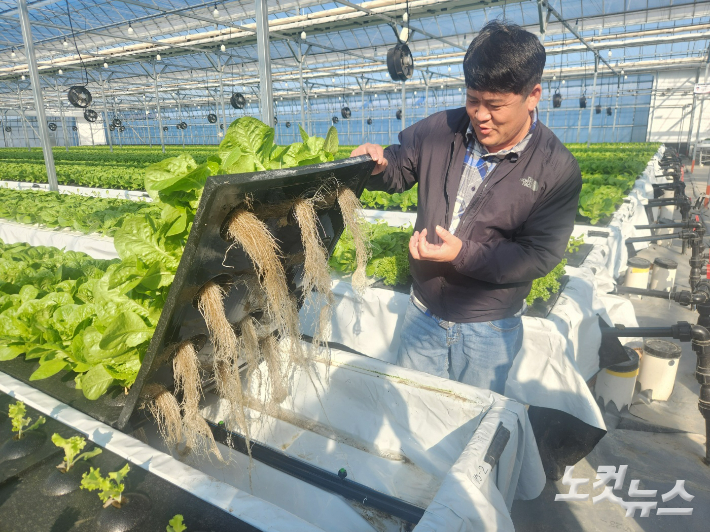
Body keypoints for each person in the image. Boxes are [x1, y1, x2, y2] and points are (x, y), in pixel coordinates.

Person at [350, 21, 582, 394]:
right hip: (422, 310)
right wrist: (376, 167)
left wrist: (463, 254)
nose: (480, 115)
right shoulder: (440, 130)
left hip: (488, 325)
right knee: (412, 410)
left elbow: (540, 255)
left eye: (495, 105)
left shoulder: (556, 168)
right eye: (473, 100)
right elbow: (398, 167)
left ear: (533, 95)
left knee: (471, 428)